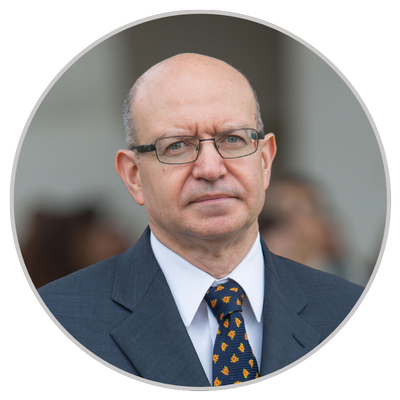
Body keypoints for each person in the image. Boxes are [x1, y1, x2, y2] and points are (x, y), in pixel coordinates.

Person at [38, 53, 363, 388]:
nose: (210, 168)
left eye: (233, 139)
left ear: (265, 161)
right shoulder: (61, 319)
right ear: (134, 176)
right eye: (177, 145)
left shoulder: (346, 309)